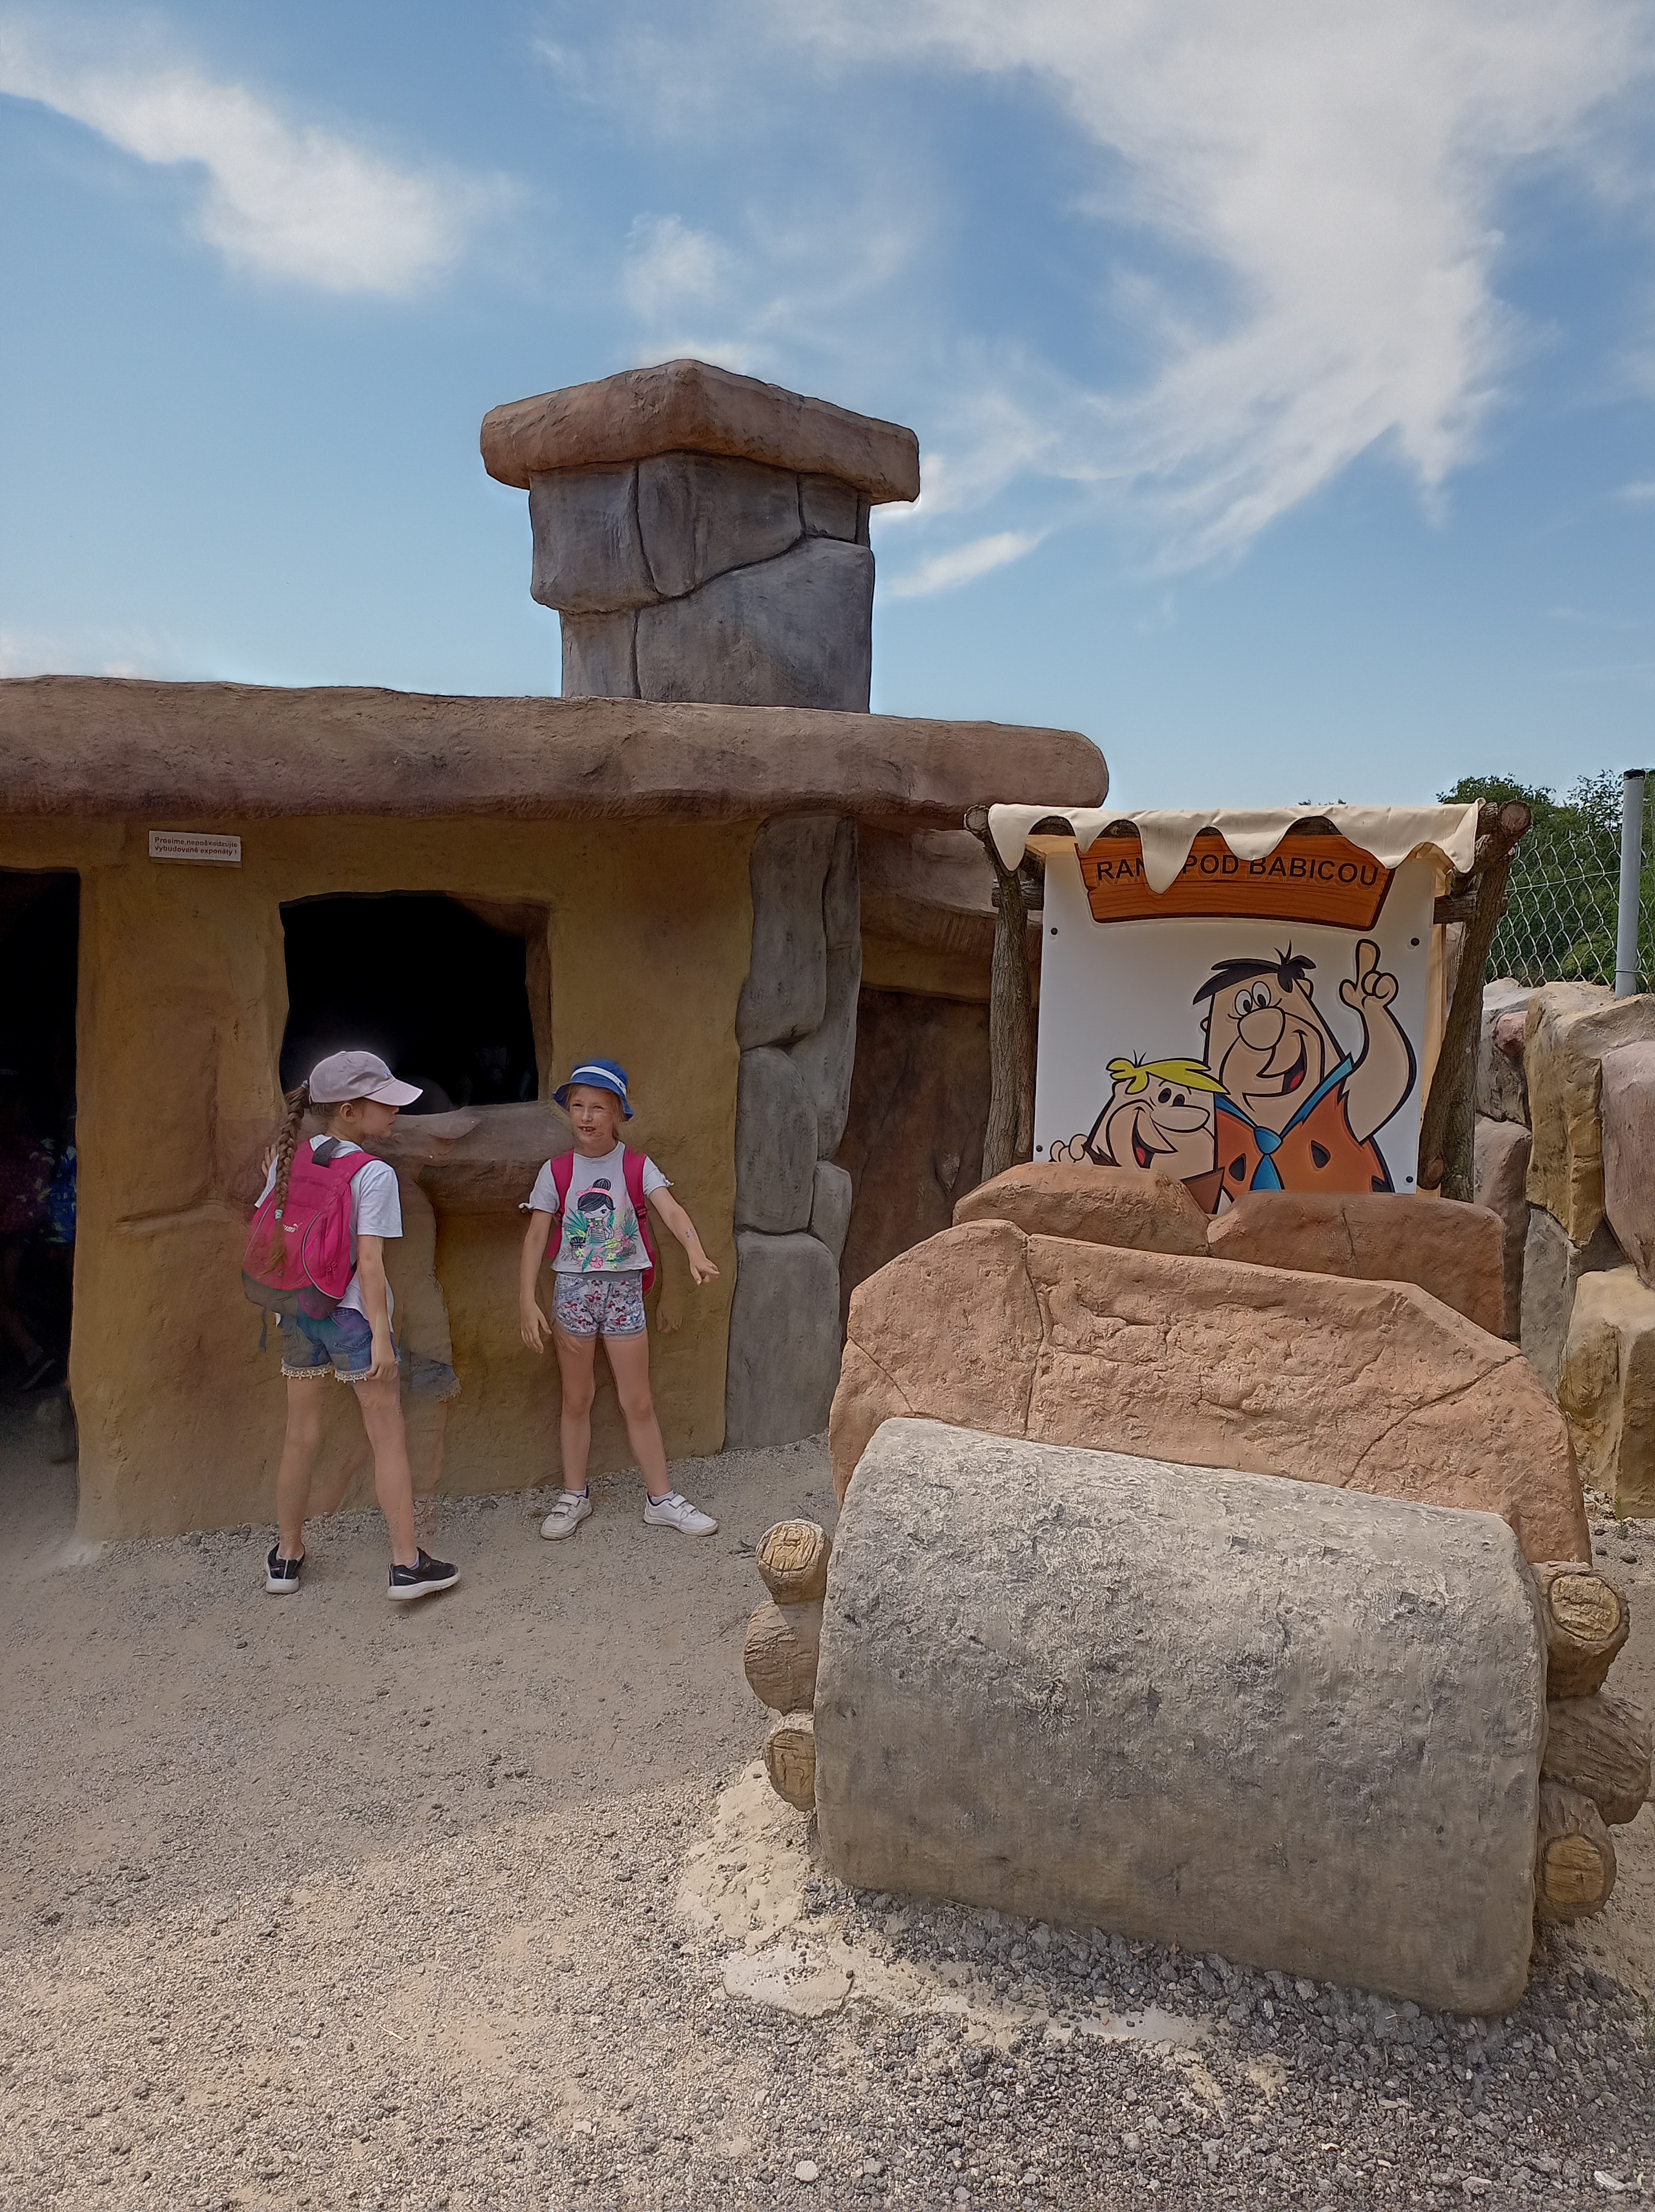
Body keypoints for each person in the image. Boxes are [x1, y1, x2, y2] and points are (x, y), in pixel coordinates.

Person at [255, 1050, 459, 1602]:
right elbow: (369, 1262)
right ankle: (406, 1564)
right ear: (348, 1110)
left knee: (300, 1434)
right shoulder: (373, 1173)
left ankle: (286, 1557)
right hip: (353, 1318)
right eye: (384, 1102)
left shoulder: (287, 1160)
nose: (395, 1111)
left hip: (299, 1312)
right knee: (387, 1436)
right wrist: (381, 1338)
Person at [519, 1058, 720, 1540]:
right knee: (576, 1397)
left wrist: (695, 1251)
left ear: (618, 1115)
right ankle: (574, 1494)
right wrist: (526, 1299)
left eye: (599, 1108)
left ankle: (661, 1499)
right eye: (578, 1106)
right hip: (573, 1292)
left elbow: (670, 1209)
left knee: (638, 1400)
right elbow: (535, 1236)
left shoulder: (636, 1165)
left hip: (624, 1291)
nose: (587, 1117)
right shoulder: (556, 1171)